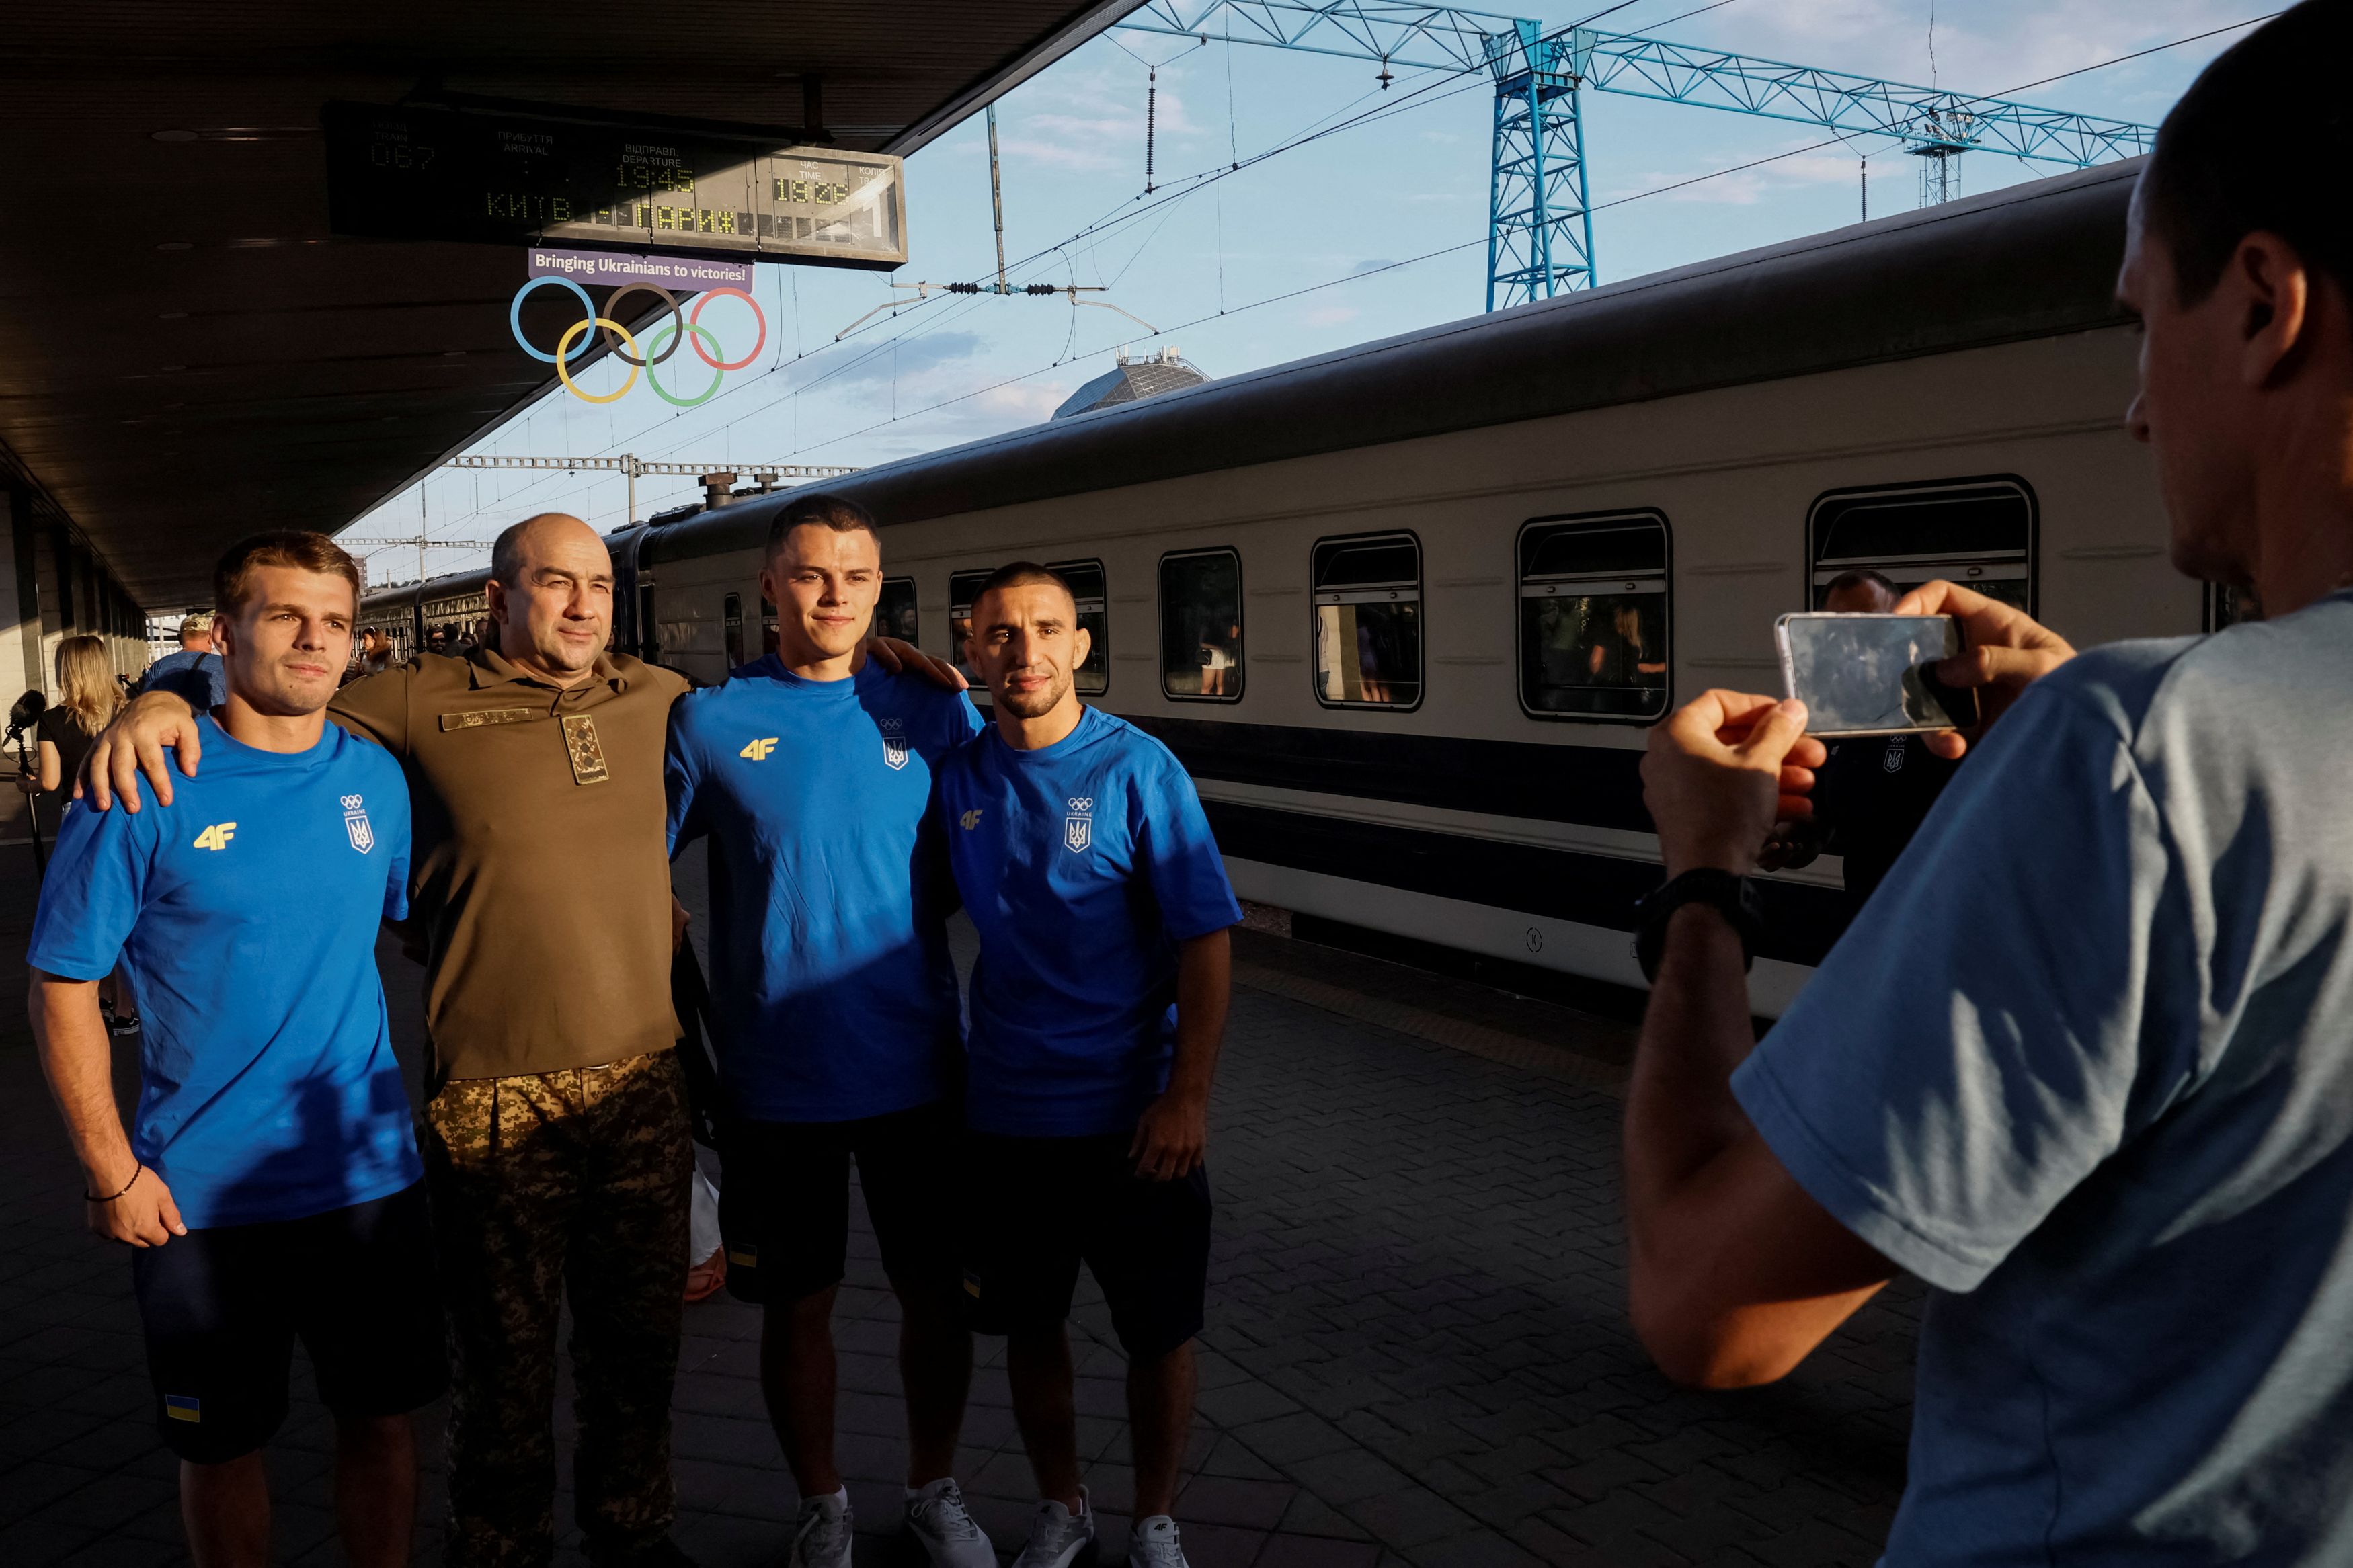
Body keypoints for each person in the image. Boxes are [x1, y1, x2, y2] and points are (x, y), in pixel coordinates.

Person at [1622, 8, 2353, 1561]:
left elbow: (1710, 1306)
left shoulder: (2149, 754)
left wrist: (1703, 875)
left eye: (2141, 320)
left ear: (2268, 303)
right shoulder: (2171, 754)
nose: (2139, 404)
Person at [81, 512, 968, 1568]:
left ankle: (633, 1536)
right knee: (501, 1359)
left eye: (597, 583)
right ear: (501, 601)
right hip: (490, 1097)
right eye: (555, 583)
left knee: (638, 1349)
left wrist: (890, 658)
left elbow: (805, 710)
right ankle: (501, 1545)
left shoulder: (662, 701)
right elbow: (277, 697)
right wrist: (152, 702)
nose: (584, 603)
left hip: (644, 1083)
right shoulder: (412, 702)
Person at [26, 531, 438, 1568]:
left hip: (366, 1177)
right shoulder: (144, 781)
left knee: (383, 1423)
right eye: (286, 615)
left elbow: (402, 924)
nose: (315, 640)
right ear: (223, 634)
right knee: (222, 1449)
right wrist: (108, 1168)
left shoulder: (376, 781)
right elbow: (63, 982)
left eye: (336, 621)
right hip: (201, 1197)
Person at [664, 493, 991, 1568]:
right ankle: (824, 1503)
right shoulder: (709, 721)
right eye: (811, 573)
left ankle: (934, 1488)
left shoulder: (934, 711)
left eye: (856, 576)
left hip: (919, 1066)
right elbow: (623, 871)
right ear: (771, 586)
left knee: (933, 1295)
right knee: (794, 1307)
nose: (836, 594)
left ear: (879, 586)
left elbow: (1005, 850)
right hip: (774, 1079)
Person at [934, 563, 1242, 1568]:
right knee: (1031, 1327)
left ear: (1080, 647)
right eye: (999, 633)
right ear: (971, 651)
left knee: (1160, 1332)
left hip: (1136, 1116)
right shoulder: (961, 777)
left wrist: (1186, 1095)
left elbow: (1206, 940)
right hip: (1010, 1113)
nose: (1023, 650)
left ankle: (1156, 1519)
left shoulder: (1139, 769)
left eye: (1046, 629)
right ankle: (1063, 1509)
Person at [1763, 570, 1960, 908]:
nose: (1856, 643)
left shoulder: (1943, 708)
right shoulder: (1833, 719)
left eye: (1872, 625)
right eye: (1841, 629)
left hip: (1946, 925)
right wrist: (1784, 842)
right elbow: (1817, 826)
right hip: (1866, 922)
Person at [34, 636, 138, 1032]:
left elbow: (50, 780)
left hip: (80, 819)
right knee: (130, 911)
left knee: (90, 912)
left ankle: (102, 999)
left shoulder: (53, 719)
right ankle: (128, 1009)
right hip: (129, 814)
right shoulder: (129, 710)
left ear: (66, 671)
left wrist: (28, 786)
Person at [139, 612, 227, 710]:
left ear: (179, 639)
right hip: (211, 725)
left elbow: (146, 706)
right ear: (211, 638)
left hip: (173, 724)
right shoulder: (224, 665)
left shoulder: (159, 667)